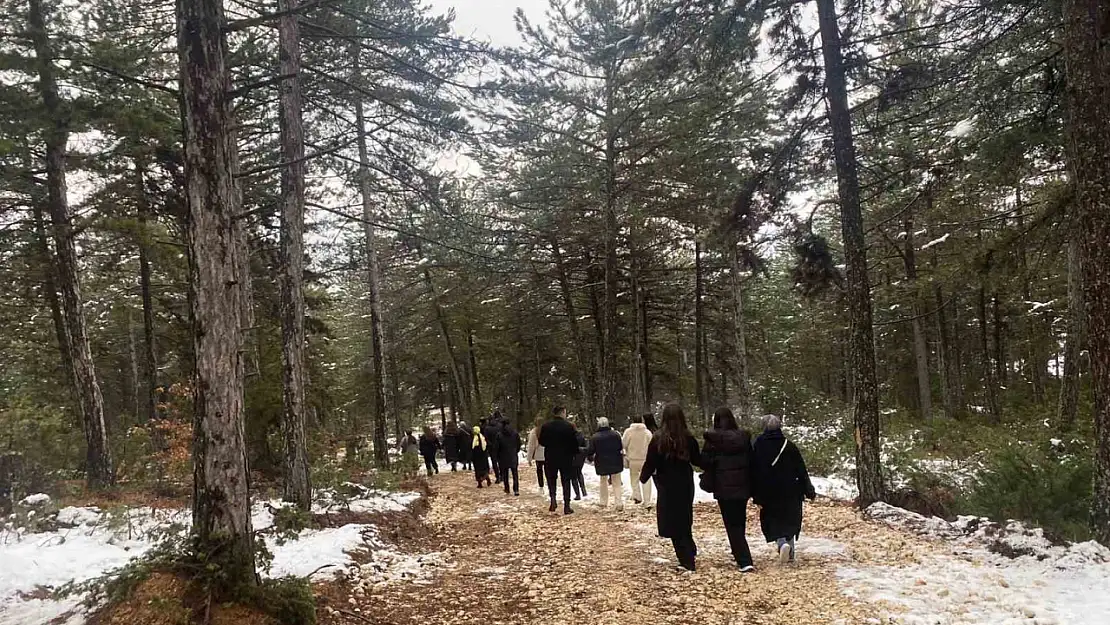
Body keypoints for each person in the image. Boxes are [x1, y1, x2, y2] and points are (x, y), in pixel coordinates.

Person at [639, 403, 701, 571]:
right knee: (685, 515)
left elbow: (651, 461)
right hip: (685, 482)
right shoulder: (687, 437)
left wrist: (643, 477)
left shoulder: (659, 438)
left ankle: (686, 560)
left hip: (666, 483)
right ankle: (690, 549)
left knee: (672, 520)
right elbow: (697, 460)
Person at [752, 415, 815, 565]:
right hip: (792, 490)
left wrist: (755, 494)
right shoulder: (789, 445)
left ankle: (781, 544)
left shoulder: (758, 446)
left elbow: (753, 471)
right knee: (790, 520)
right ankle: (790, 552)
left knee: (773, 520)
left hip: (768, 492)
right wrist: (809, 490)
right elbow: (801, 469)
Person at [702, 407, 755, 572]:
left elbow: (704, 462)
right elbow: (752, 460)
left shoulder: (713, 440)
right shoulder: (743, 438)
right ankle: (739, 550)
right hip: (743, 486)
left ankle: (744, 559)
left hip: (723, 487)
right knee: (739, 520)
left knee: (731, 523)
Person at [538, 405, 578, 514]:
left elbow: (541, 441)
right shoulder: (569, 426)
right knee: (566, 481)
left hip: (550, 456)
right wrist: (574, 453)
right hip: (566, 457)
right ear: (562, 413)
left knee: (551, 479)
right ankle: (567, 505)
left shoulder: (546, 426)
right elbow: (574, 442)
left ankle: (553, 500)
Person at [587, 417, 624, 511]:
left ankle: (603, 502)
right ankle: (619, 502)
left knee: (603, 481)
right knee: (616, 482)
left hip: (601, 461)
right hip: (616, 460)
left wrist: (590, 458)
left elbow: (591, 450)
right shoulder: (616, 435)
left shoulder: (595, 437)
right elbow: (620, 447)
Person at [623, 414, 654, 505]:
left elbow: (624, 444)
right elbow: (652, 445)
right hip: (645, 459)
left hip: (633, 459)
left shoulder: (628, 432)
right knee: (646, 479)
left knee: (634, 479)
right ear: (642, 421)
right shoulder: (647, 432)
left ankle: (637, 496)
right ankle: (647, 500)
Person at [497, 420, 522, 496]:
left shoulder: (499, 434)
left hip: (503, 456)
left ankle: (507, 488)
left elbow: (497, 447)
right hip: (513, 455)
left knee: (505, 473)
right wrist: (515, 451)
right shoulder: (515, 433)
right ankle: (516, 489)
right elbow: (518, 444)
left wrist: (498, 455)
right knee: (515, 473)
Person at [526, 417, 546, 493]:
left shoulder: (534, 432)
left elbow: (531, 446)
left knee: (539, 471)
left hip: (538, 455)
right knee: (548, 471)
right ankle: (551, 485)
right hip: (547, 454)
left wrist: (529, 458)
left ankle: (541, 487)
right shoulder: (547, 430)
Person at [483, 414, 503, 484]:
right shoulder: (500, 426)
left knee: (494, 462)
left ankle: (497, 477)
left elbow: (486, 438)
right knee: (500, 461)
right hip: (500, 446)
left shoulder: (487, 428)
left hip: (492, 448)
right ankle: (502, 475)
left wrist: (490, 444)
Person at [571, 423, 588, 499]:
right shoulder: (581, 435)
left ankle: (577, 494)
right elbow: (585, 446)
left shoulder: (569, 436)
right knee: (579, 473)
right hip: (581, 457)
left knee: (573, 476)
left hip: (573, 457)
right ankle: (584, 491)